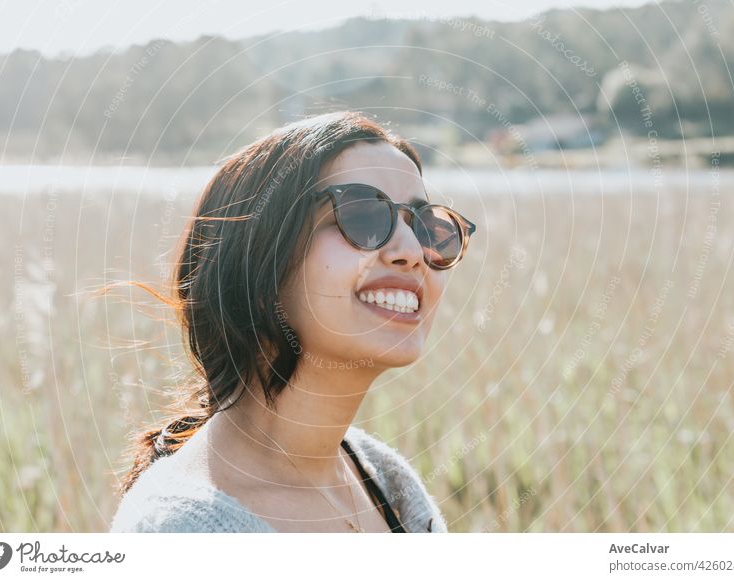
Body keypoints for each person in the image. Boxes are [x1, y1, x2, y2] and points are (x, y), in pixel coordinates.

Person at [109, 110, 476, 533]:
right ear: (258, 263)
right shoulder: (180, 531)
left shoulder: (387, 482)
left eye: (427, 226)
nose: (411, 250)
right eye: (362, 216)